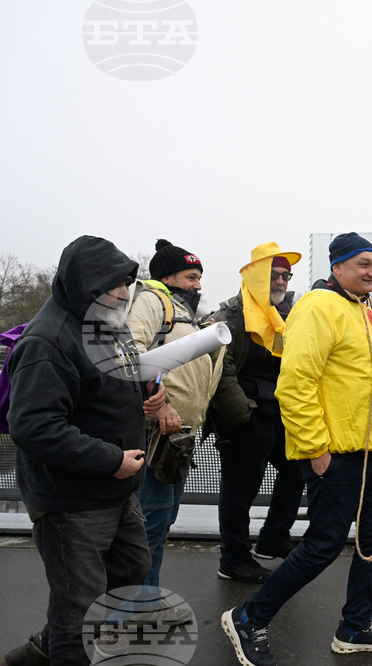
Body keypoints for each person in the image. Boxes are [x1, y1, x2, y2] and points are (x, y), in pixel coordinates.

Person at [222, 233, 372, 665]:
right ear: (337, 267)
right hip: (335, 450)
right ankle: (249, 618)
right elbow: (295, 383)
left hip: (365, 449)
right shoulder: (318, 307)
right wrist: (313, 448)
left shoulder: (357, 307)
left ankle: (355, 626)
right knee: (324, 542)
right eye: (363, 264)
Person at [1, 236, 167, 666]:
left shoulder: (105, 323)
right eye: (115, 286)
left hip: (116, 489)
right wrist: (110, 460)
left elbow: (117, 377)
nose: (126, 294)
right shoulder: (47, 342)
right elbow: (34, 426)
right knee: (79, 611)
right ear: (85, 285)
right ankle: (64, 644)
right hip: (71, 501)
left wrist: (147, 389)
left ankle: (46, 645)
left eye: (128, 284)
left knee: (131, 567)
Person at [127, 240, 223, 613]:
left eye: (199, 277)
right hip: (156, 431)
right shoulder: (153, 300)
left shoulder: (181, 310)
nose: (198, 285)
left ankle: (145, 596)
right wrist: (160, 401)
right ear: (168, 277)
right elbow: (131, 353)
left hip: (177, 433)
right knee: (150, 521)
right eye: (191, 277)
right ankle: (139, 603)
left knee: (162, 518)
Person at [208, 243, 305, 583]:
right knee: (240, 491)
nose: (281, 281)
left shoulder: (282, 316)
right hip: (246, 416)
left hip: (276, 413)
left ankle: (273, 538)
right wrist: (243, 417)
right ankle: (233, 559)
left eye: (286, 276)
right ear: (256, 277)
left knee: (297, 469)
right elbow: (220, 369)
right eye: (275, 275)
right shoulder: (230, 317)